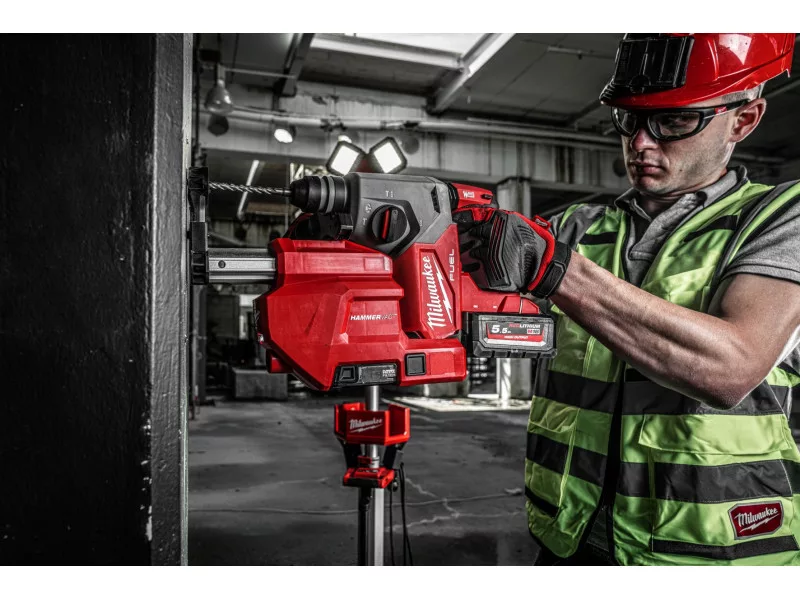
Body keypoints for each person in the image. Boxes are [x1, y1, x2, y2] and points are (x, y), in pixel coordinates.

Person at [455, 33, 800, 566]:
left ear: (743, 119)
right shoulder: (576, 227)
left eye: (674, 121)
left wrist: (556, 270)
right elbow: (460, 311)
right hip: (569, 533)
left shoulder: (778, 218)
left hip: (709, 549)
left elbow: (730, 368)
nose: (640, 142)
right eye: (629, 119)